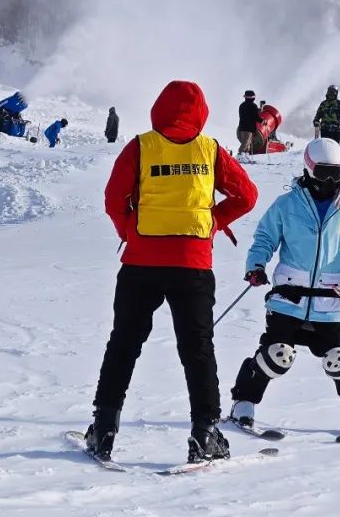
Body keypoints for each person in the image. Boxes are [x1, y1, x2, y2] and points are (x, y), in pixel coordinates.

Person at [86, 80, 258, 464]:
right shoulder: (210, 150)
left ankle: (103, 429)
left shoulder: (141, 146)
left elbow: (114, 198)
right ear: (202, 113)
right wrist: (213, 222)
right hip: (193, 264)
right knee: (197, 349)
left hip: (140, 262)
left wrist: (129, 231)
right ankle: (205, 433)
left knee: (124, 343)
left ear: (159, 108)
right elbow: (247, 196)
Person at [228, 138, 340, 435]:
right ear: (309, 169)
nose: (331, 181)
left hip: (329, 304)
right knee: (277, 353)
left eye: (336, 173)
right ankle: (243, 404)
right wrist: (255, 267)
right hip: (288, 299)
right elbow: (265, 239)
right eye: (324, 173)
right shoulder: (287, 205)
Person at [237, 90, 260, 161]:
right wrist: (263, 121)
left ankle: (245, 156)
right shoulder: (253, 106)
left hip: (241, 127)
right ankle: (240, 156)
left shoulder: (241, 105)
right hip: (249, 128)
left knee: (247, 142)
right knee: (246, 142)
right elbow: (256, 117)